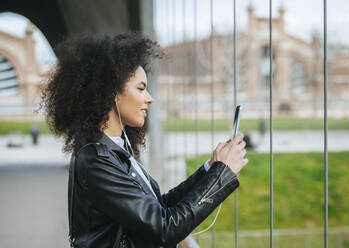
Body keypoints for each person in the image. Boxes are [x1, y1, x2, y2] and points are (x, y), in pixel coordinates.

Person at [40, 33, 248, 248]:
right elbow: (165, 228)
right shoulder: (97, 161)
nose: (150, 97)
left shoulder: (112, 150)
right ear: (111, 92)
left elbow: (160, 207)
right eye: (140, 88)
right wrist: (222, 173)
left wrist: (210, 169)